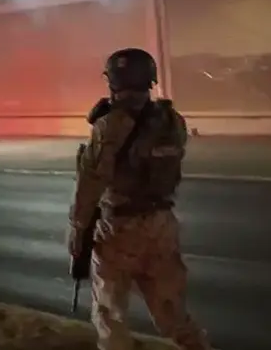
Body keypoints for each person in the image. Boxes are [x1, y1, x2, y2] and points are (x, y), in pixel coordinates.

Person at [66, 48, 211, 350]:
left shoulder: (110, 126)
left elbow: (90, 183)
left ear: (112, 81)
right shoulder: (172, 121)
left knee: (110, 314)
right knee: (172, 313)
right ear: (150, 79)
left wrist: (78, 230)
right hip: (162, 225)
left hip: (119, 228)